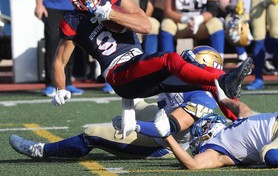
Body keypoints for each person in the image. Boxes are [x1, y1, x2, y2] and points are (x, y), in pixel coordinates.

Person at [50, 0, 253, 137]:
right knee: (170, 59)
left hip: (140, 66)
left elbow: (144, 26)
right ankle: (224, 78)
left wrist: (111, 13)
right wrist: (60, 87)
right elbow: (59, 60)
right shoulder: (73, 21)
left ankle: (243, 124)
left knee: (204, 82)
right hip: (119, 73)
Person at [8, 46, 252, 160]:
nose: (188, 68)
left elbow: (170, 127)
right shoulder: (186, 82)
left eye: (193, 64)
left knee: (93, 133)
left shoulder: (202, 95)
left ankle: (42, 151)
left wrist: (134, 125)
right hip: (162, 120)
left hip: (165, 142)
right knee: (132, 100)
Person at [154, 107, 278, 168]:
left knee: (271, 155)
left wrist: (222, 97)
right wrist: (167, 136)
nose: (209, 124)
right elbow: (192, 164)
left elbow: (242, 108)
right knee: (271, 155)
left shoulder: (232, 127)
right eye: (205, 127)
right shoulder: (216, 150)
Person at [33, 0, 89, 96]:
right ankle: (51, 84)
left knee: (72, 43)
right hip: (52, 5)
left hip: (75, 5)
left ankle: (68, 82)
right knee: (52, 42)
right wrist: (39, 3)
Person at [217, 0, 252, 65]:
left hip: (258, 10)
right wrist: (231, 9)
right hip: (239, 12)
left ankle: (268, 59)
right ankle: (242, 57)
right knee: (231, 22)